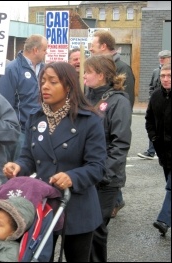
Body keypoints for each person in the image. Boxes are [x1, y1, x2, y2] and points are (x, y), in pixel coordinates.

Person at [3, 62, 107, 262]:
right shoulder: (35, 117)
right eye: (42, 81)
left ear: (68, 87)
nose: (45, 87)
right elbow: (28, 157)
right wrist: (19, 166)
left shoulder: (89, 120)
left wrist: (72, 177)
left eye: (52, 82)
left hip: (77, 206)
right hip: (43, 205)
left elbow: (97, 166)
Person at [83, 55, 132, 261]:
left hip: (105, 179)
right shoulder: (86, 97)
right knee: (83, 229)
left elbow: (119, 143)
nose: (84, 76)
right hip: (85, 174)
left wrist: (104, 173)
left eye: (88, 72)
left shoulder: (118, 101)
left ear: (101, 75)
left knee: (96, 229)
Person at [89, 29, 135, 217]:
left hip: (106, 173)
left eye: (93, 47)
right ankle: (116, 200)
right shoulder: (91, 89)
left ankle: (115, 199)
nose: (90, 50)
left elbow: (125, 103)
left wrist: (105, 174)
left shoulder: (122, 68)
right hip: (94, 169)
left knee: (97, 227)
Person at [0, 34, 48, 161]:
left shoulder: (45, 69)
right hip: (21, 132)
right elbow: (5, 103)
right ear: (35, 50)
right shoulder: (11, 69)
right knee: (19, 169)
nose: (46, 53)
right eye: (44, 50)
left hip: (42, 129)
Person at [146, 63, 171, 236]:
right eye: (163, 76)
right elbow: (149, 120)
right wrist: (154, 138)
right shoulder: (156, 96)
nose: (165, 79)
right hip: (164, 152)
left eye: (169, 76)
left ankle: (164, 220)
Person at [138, 50, 171, 160]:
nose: (161, 59)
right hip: (157, 103)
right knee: (154, 125)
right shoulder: (156, 71)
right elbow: (151, 86)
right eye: (160, 58)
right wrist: (152, 99)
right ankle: (151, 150)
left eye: (164, 57)